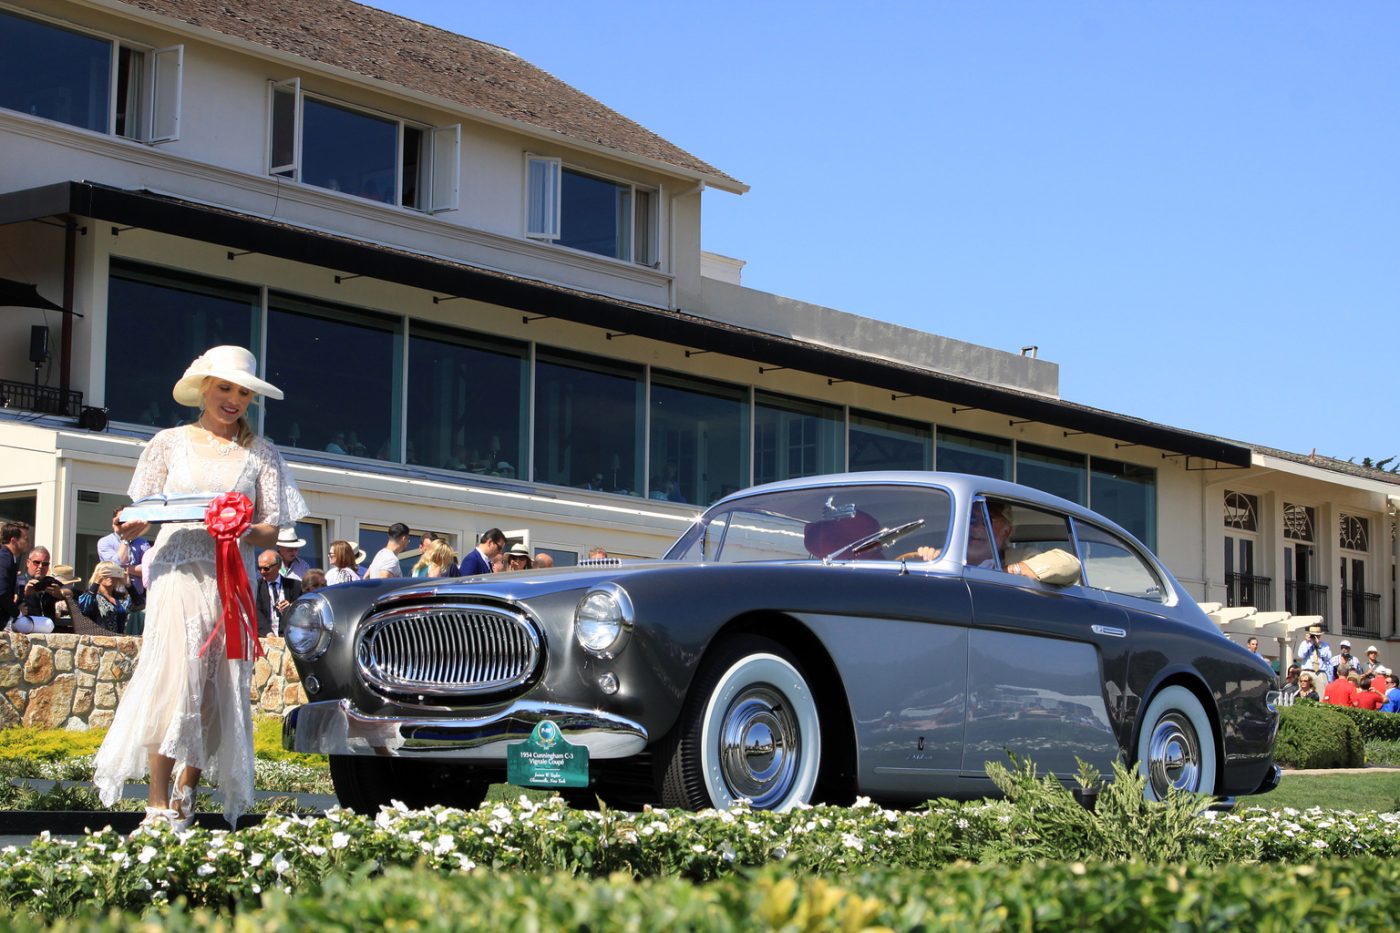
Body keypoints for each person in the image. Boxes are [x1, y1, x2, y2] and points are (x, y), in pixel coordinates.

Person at [93, 344, 307, 832]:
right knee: (174, 676)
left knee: (214, 685)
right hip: (175, 570)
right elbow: (146, 513)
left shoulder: (262, 454)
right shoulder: (168, 443)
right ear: (204, 389)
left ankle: (188, 791)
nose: (233, 399)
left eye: (242, 392)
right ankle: (155, 801)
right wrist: (128, 526)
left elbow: (272, 528)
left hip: (230, 575)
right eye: (225, 388)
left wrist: (238, 530)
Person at [914, 500, 1081, 585]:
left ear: (1006, 531)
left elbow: (1069, 564)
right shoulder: (943, 557)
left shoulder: (1021, 557)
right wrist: (926, 562)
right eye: (971, 519)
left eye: (987, 520)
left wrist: (1009, 572)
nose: (977, 527)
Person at [97, 507, 150, 607]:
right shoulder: (105, 542)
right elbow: (115, 565)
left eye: (127, 520)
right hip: (115, 597)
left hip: (137, 597)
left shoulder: (142, 542)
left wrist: (123, 569)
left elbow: (148, 569)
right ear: (114, 523)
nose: (124, 524)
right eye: (121, 520)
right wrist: (125, 539)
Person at [255, 550, 302, 637]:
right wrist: (268, 634)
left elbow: (303, 610)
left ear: (278, 566)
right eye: (259, 568)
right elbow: (256, 612)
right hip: (265, 638)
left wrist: (291, 607)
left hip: (289, 637)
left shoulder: (295, 586)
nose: (262, 572)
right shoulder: (256, 587)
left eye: (266, 568)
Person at [76, 561, 131, 635]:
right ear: (98, 575)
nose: (110, 577)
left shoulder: (121, 597)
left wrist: (129, 586)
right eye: (106, 573)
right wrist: (96, 583)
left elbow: (139, 606)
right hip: (100, 641)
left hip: (120, 642)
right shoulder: (92, 596)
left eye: (113, 573)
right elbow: (84, 609)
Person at [0, 521, 29, 627]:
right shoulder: (4, 559)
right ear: (13, 541)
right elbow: (1, 593)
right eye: (25, 539)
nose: (28, 542)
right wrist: (18, 613)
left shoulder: (9, 558)